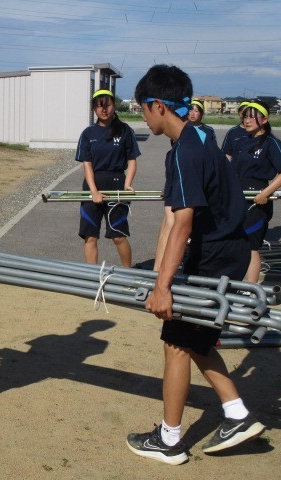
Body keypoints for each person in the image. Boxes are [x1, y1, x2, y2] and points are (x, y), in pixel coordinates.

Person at [127, 64, 265, 466]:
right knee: (197, 341)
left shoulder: (186, 150)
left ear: (157, 105)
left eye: (142, 109)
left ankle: (169, 440)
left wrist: (162, 286)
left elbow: (183, 223)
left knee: (176, 343)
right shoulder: (200, 136)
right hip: (229, 249)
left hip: (213, 255)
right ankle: (237, 415)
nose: (142, 117)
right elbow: (176, 216)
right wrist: (162, 273)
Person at [75, 89, 140, 267]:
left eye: (108, 105)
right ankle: (92, 275)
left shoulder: (125, 130)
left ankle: (128, 273)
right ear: (94, 109)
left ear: (114, 106)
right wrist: (94, 192)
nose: (104, 110)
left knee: (118, 236)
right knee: (90, 236)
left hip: (117, 185)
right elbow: (87, 165)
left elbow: (132, 160)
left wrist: (128, 184)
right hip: (92, 186)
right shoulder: (88, 133)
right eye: (99, 106)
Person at [230, 100, 281, 283]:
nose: (247, 120)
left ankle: (250, 289)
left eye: (252, 117)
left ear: (265, 120)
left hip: (257, 200)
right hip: (237, 199)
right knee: (234, 243)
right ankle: (234, 285)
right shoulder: (240, 142)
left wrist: (265, 193)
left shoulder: (271, 143)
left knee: (251, 245)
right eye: (245, 116)